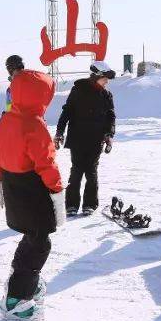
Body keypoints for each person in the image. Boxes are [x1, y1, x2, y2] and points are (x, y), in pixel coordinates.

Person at [0, 70, 67, 321]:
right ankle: (16, 299)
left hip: (13, 189)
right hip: (33, 192)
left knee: (32, 237)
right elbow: (47, 164)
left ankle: (21, 281)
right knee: (40, 243)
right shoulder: (35, 124)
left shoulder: (6, 119)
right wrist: (57, 195)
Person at [54, 61, 116, 215]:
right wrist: (59, 132)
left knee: (91, 171)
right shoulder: (78, 91)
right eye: (105, 78)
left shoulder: (106, 94)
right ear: (97, 76)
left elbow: (111, 117)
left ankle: (90, 204)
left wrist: (109, 135)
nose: (107, 81)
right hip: (78, 138)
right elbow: (66, 112)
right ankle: (71, 205)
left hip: (96, 139)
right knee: (76, 171)